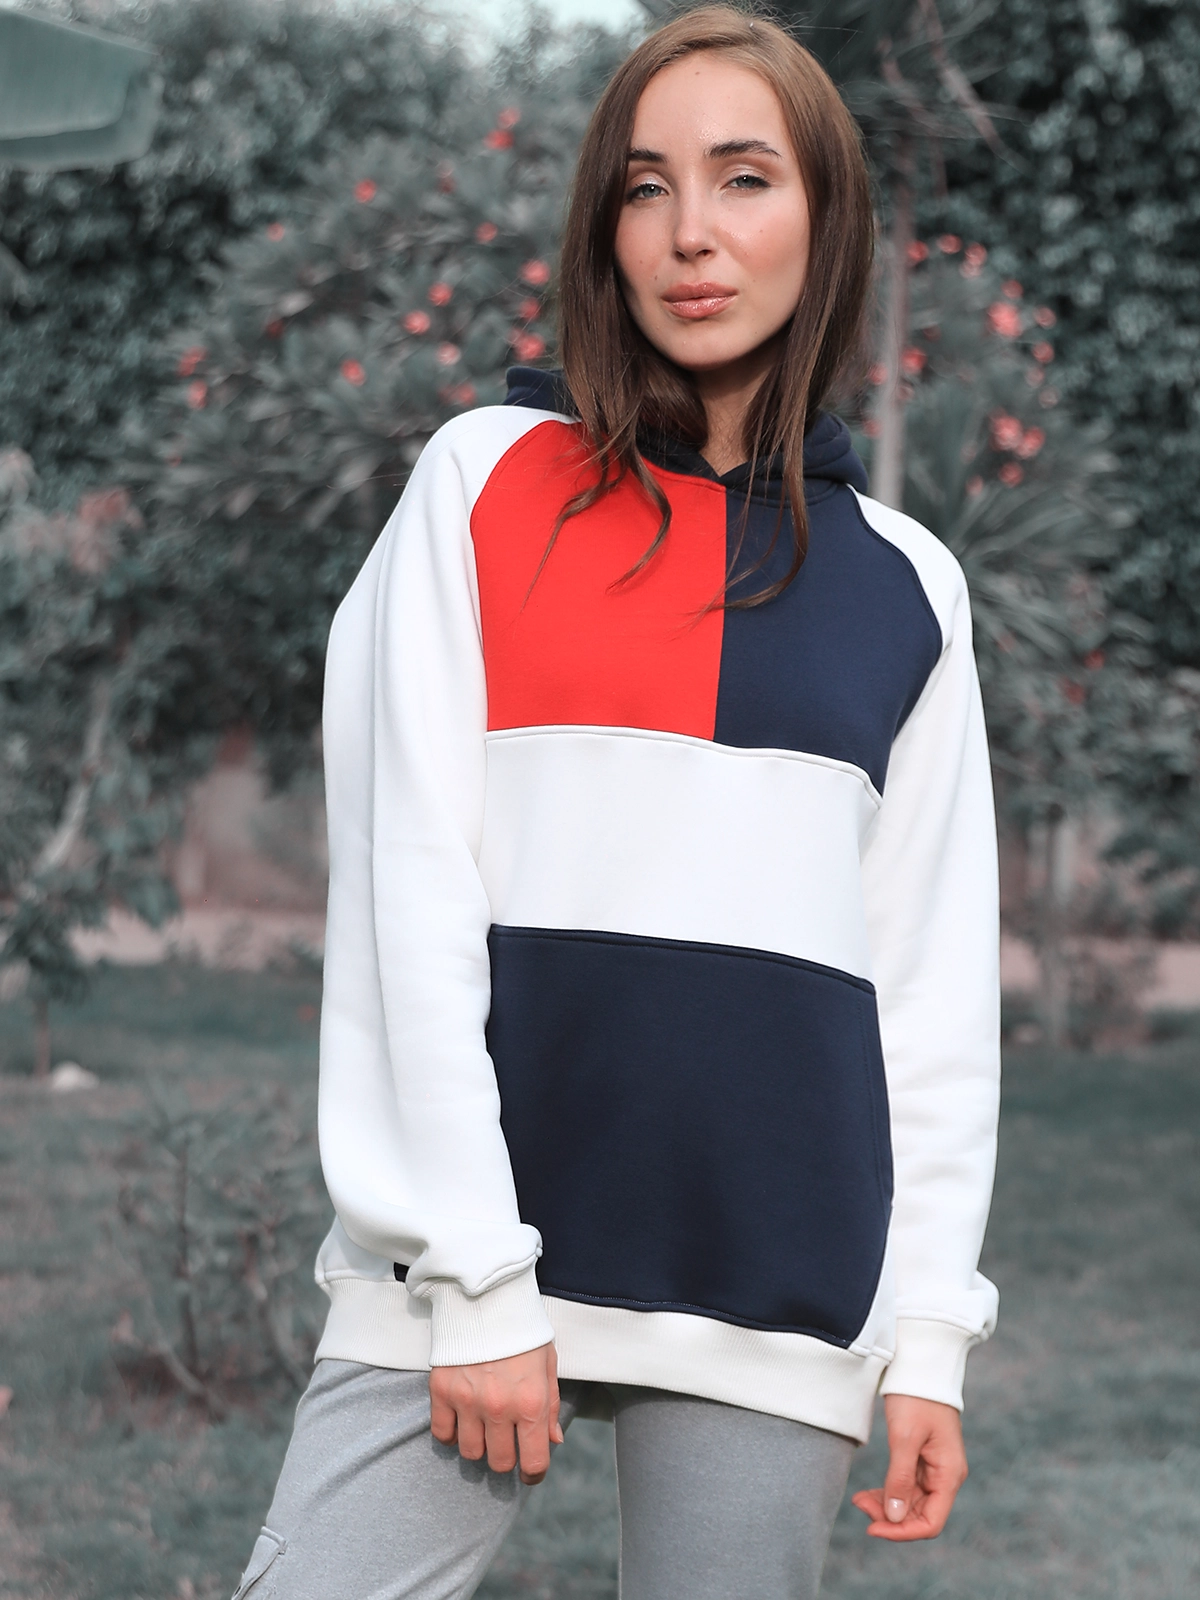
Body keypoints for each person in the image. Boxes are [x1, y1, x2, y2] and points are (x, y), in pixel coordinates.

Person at [231, 7, 1000, 1598]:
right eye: (647, 187)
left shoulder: (909, 585)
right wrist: (476, 1277)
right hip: (463, 1265)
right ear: (605, 227)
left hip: (773, 1277)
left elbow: (928, 988)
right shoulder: (482, 479)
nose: (691, 232)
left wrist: (929, 1330)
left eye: (745, 178)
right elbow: (405, 885)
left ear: (827, 222)